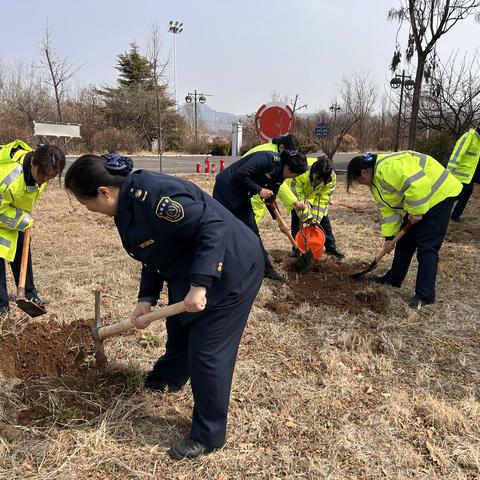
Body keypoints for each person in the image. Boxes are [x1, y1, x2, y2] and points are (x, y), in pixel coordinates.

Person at [64, 153, 264, 460]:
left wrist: (200, 285)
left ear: (103, 193)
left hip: (232, 268)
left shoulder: (155, 198)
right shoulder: (126, 205)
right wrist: (146, 299)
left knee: (207, 351)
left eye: (85, 203)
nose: (88, 210)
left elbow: (212, 227)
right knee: (180, 326)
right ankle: (168, 377)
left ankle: (209, 434)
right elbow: (153, 252)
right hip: (191, 268)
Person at [347, 151, 462, 309]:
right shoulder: (375, 183)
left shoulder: (388, 168)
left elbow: (419, 184)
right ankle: (394, 279)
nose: (361, 184)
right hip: (420, 200)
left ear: (364, 172)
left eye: (359, 180)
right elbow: (388, 211)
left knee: (427, 246)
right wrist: (389, 237)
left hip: (439, 194)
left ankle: (425, 295)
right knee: (405, 240)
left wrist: (416, 211)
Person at [213, 145, 308, 282]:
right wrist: (259, 190)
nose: (293, 178)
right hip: (225, 189)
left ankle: (267, 271)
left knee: (252, 232)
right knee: (223, 230)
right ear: (288, 168)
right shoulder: (267, 159)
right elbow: (241, 174)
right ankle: (217, 268)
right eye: (295, 175)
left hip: (242, 195)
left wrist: (279, 220)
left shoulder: (280, 176)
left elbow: (270, 199)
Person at [0, 139, 65, 315]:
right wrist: (22, 218)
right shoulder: (9, 176)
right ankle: (2, 306)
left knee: (22, 251)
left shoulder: (39, 171)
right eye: (43, 174)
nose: (44, 180)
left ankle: (29, 294)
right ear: (33, 164)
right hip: (2, 210)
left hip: (12, 211)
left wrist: (22, 218)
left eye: (50, 177)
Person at [287, 155, 344, 258]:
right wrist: (307, 217)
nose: (320, 180)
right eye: (318, 178)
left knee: (324, 221)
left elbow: (323, 199)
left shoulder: (331, 177)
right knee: (297, 219)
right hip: (296, 193)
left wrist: (315, 219)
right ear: (314, 171)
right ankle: (296, 249)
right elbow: (297, 195)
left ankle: (331, 247)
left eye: (323, 179)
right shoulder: (301, 171)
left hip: (314, 194)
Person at [447, 127, 480, 222]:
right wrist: (448, 172)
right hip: (463, 173)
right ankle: (442, 205)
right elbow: (457, 154)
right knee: (461, 192)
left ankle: (455, 215)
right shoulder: (469, 136)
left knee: (467, 192)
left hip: (474, 173)